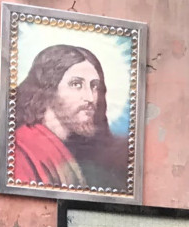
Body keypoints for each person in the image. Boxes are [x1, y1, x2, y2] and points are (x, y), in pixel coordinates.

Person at [10, 43, 130, 191]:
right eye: (76, 84)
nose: (90, 98)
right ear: (48, 89)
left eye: (94, 86)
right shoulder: (23, 149)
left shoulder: (81, 151)